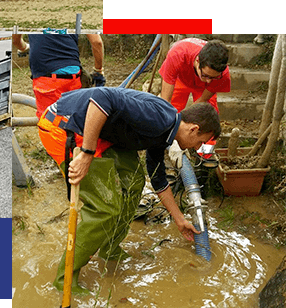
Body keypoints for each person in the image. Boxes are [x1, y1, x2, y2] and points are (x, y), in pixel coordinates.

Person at [37, 87, 220, 295]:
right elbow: (101, 98)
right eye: (201, 142)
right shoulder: (159, 119)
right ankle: (65, 278)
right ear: (194, 129)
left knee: (133, 180)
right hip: (64, 126)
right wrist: (87, 153)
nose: (197, 148)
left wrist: (179, 220)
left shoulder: (165, 130)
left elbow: (158, 178)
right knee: (105, 208)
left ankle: (109, 249)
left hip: (100, 133)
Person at [158, 37, 229, 157]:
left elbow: (200, 103)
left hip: (202, 89)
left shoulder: (222, 75)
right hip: (181, 78)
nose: (208, 80)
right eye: (206, 75)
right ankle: (168, 146)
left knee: (208, 118)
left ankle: (205, 156)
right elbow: (165, 102)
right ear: (197, 61)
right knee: (170, 111)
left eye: (213, 77)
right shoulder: (177, 54)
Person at [12, 33, 104, 118]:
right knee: (75, 122)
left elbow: (16, 40)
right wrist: (98, 70)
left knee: (50, 125)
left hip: (47, 79)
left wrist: (24, 47)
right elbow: (97, 42)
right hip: (74, 76)